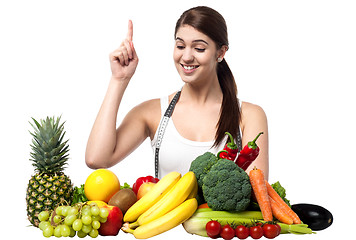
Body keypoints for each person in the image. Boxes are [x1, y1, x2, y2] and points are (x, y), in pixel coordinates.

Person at [85, 6, 269, 180]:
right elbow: (97, 159)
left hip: (221, 216)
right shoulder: (153, 113)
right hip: (163, 215)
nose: (187, 57)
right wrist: (119, 80)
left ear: (220, 53)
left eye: (199, 48)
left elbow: (257, 190)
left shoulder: (249, 115)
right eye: (180, 46)